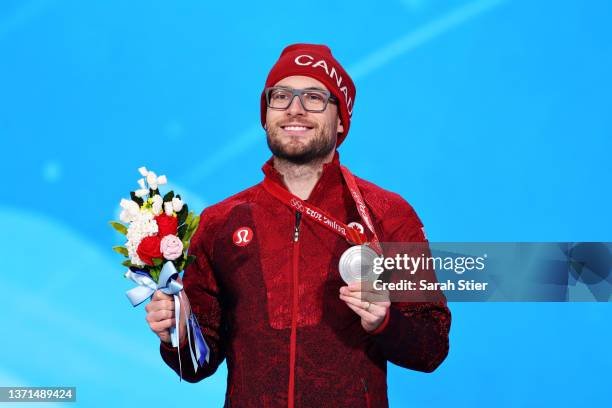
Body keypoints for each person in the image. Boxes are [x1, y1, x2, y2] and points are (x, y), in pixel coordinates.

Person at [145, 43, 451, 408]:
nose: (295, 108)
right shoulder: (220, 222)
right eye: (281, 96)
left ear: (341, 119)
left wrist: (384, 322)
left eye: (314, 97)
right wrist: (178, 335)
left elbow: (432, 346)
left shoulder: (387, 214)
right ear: (265, 113)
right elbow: (198, 364)